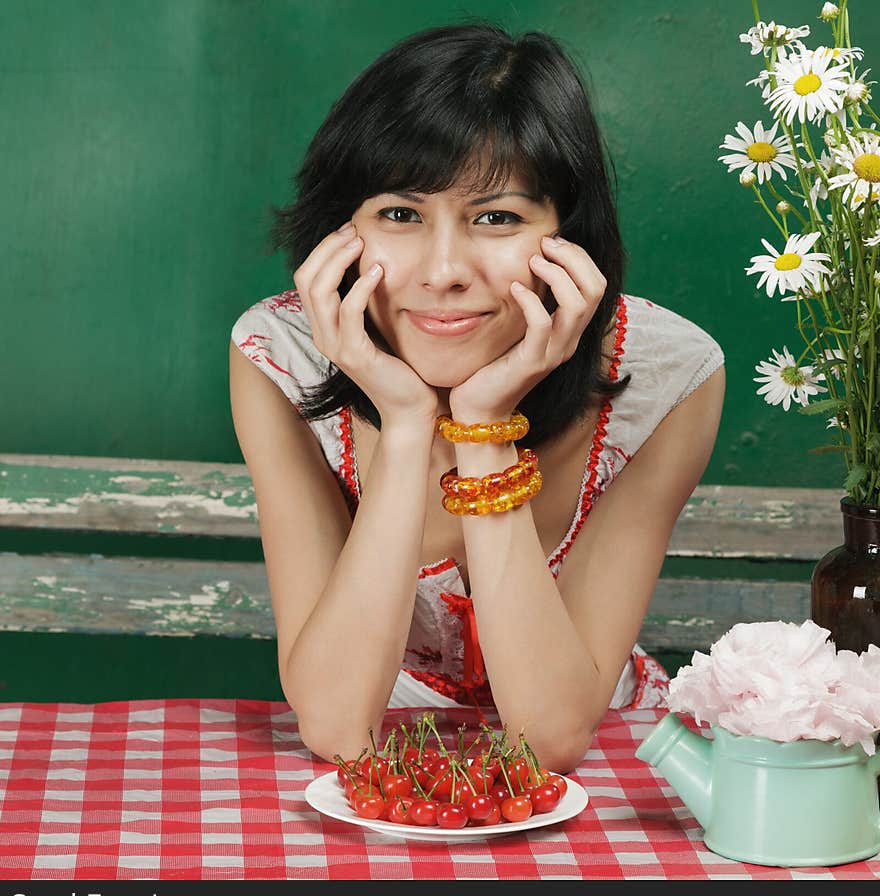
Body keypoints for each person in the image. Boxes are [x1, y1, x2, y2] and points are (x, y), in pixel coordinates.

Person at [228, 22, 725, 773]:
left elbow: (550, 742)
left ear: (570, 236)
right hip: (382, 743)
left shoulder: (670, 376)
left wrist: (484, 424)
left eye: (498, 218)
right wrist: (404, 423)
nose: (444, 269)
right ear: (341, 230)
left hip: (609, 759)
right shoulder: (281, 356)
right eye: (400, 214)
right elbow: (334, 727)